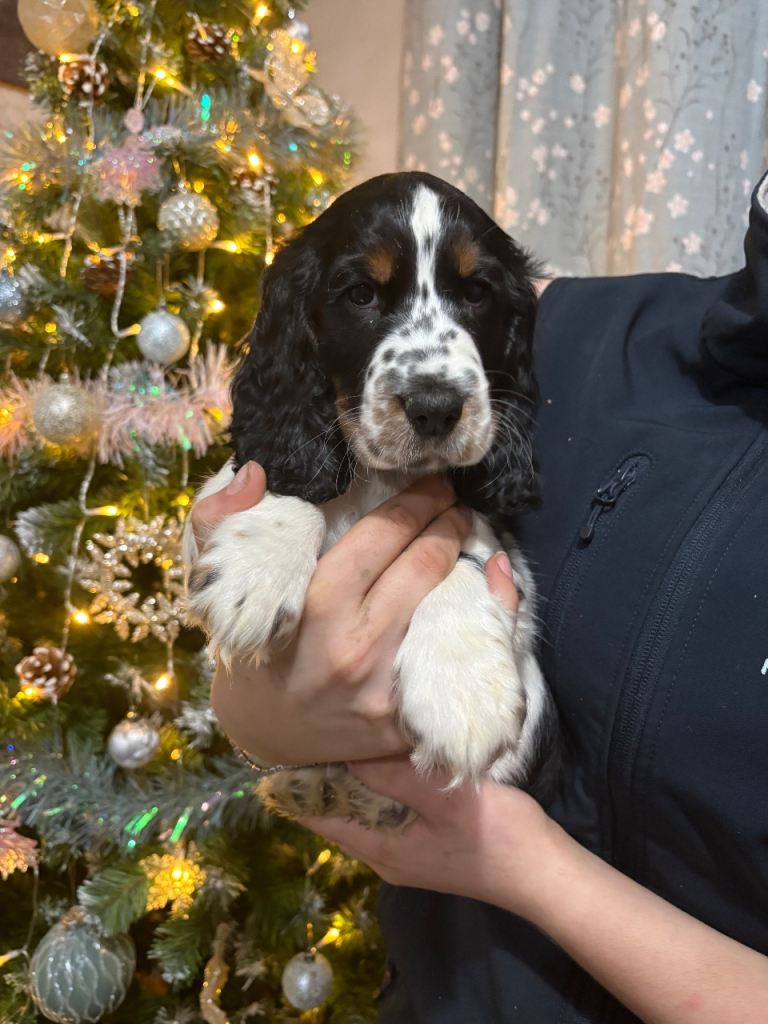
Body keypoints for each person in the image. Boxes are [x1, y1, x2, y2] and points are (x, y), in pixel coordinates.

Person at [189, 173, 768, 1023]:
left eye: (471, 296)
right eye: (362, 292)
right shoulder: (600, 329)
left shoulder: (539, 351)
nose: (433, 370)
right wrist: (258, 708)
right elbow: (257, 669)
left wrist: (519, 863)